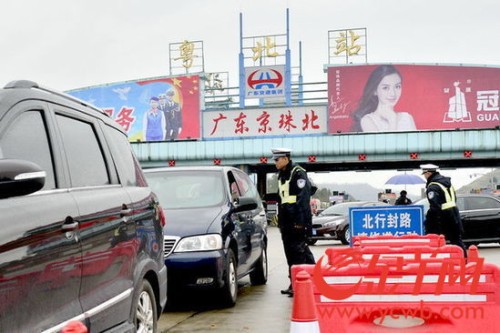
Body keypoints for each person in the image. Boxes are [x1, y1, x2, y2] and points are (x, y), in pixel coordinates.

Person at [272, 147, 316, 297]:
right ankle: (297, 282)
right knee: (291, 253)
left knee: (298, 252)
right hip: (286, 222)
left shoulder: (298, 173)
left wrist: (300, 222)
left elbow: (302, 200)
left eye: (277, 159)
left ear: (285, 158)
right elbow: (281, 199)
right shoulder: (281, 175)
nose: (275, 162)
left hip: (297, 221)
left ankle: (302, 283)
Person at [351, 65, 416, 132]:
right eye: (385, 88)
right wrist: (392, 119)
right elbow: (385, 143)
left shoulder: (407, 118)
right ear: (375, 91)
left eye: (397, 86)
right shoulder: (367, 120)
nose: (393, 93)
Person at [421, 164, 467, 256]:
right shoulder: (447, 183)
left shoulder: (433, 186)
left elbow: (435, 206)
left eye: (424, 174)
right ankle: (464, 260)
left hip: (442, 217)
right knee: (456, 240)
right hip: (454, 213)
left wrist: (430, 220)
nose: (425, 176)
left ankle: (435, 263)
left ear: (429, 173)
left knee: (436, 240)